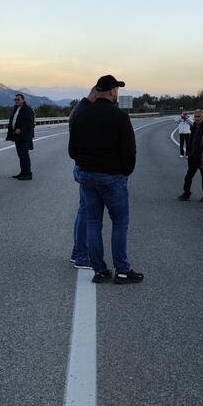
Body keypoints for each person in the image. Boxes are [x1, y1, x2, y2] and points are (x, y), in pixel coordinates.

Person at [68, 74, 142, 284]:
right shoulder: (119, 116)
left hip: (87, 176)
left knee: (93, 222)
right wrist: (124, 172)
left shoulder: (81, 114)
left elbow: (72, 150)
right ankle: (121, 269)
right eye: (116, 89)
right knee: (119, 222)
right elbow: (129, 151)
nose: (116, 93)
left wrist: (85, 164)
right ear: (111, 92)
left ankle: (99, 270)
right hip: (112, 177)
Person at [178, 110, 203, 201]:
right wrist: (188, 152)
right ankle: (186, 193)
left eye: (199, 117)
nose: (197, 118)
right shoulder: (194, 126)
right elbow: (191, 140)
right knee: (188, 176)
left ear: (202, 117)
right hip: (193, 156)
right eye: (196, 117)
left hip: (202, 156)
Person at [7, 93, 35, 180]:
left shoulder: (27, 109)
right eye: (15, 100)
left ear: (23, 100)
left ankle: (28, 174)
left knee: (24, 155)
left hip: (25, 136)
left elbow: (30, 123)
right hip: (17, 136)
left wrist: (21, 129)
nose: (16, 101)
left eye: (18, 99)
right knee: (21, 155)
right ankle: (23, 172)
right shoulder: (16, 108)